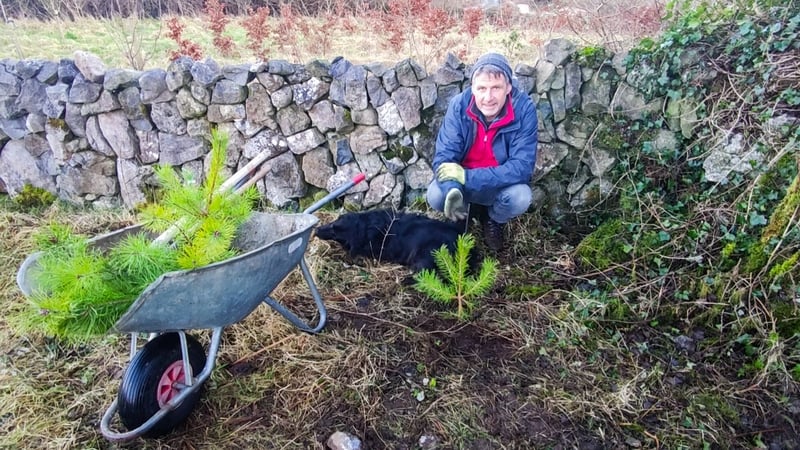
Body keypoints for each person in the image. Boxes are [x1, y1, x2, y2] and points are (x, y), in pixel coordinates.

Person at [426, 52, 538, 252]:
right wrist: (453, 189)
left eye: (496, 88)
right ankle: (461, 215)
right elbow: (445, 156)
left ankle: (493, 218)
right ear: (473, 88)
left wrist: (467, 177)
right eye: (482, 88)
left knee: (521, 196)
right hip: (463, 184)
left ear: (508, 88)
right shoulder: (459, 105)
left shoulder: (524, 109)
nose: (488, 97)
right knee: (435, 195)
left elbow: (521, 167)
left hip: (498, 185)